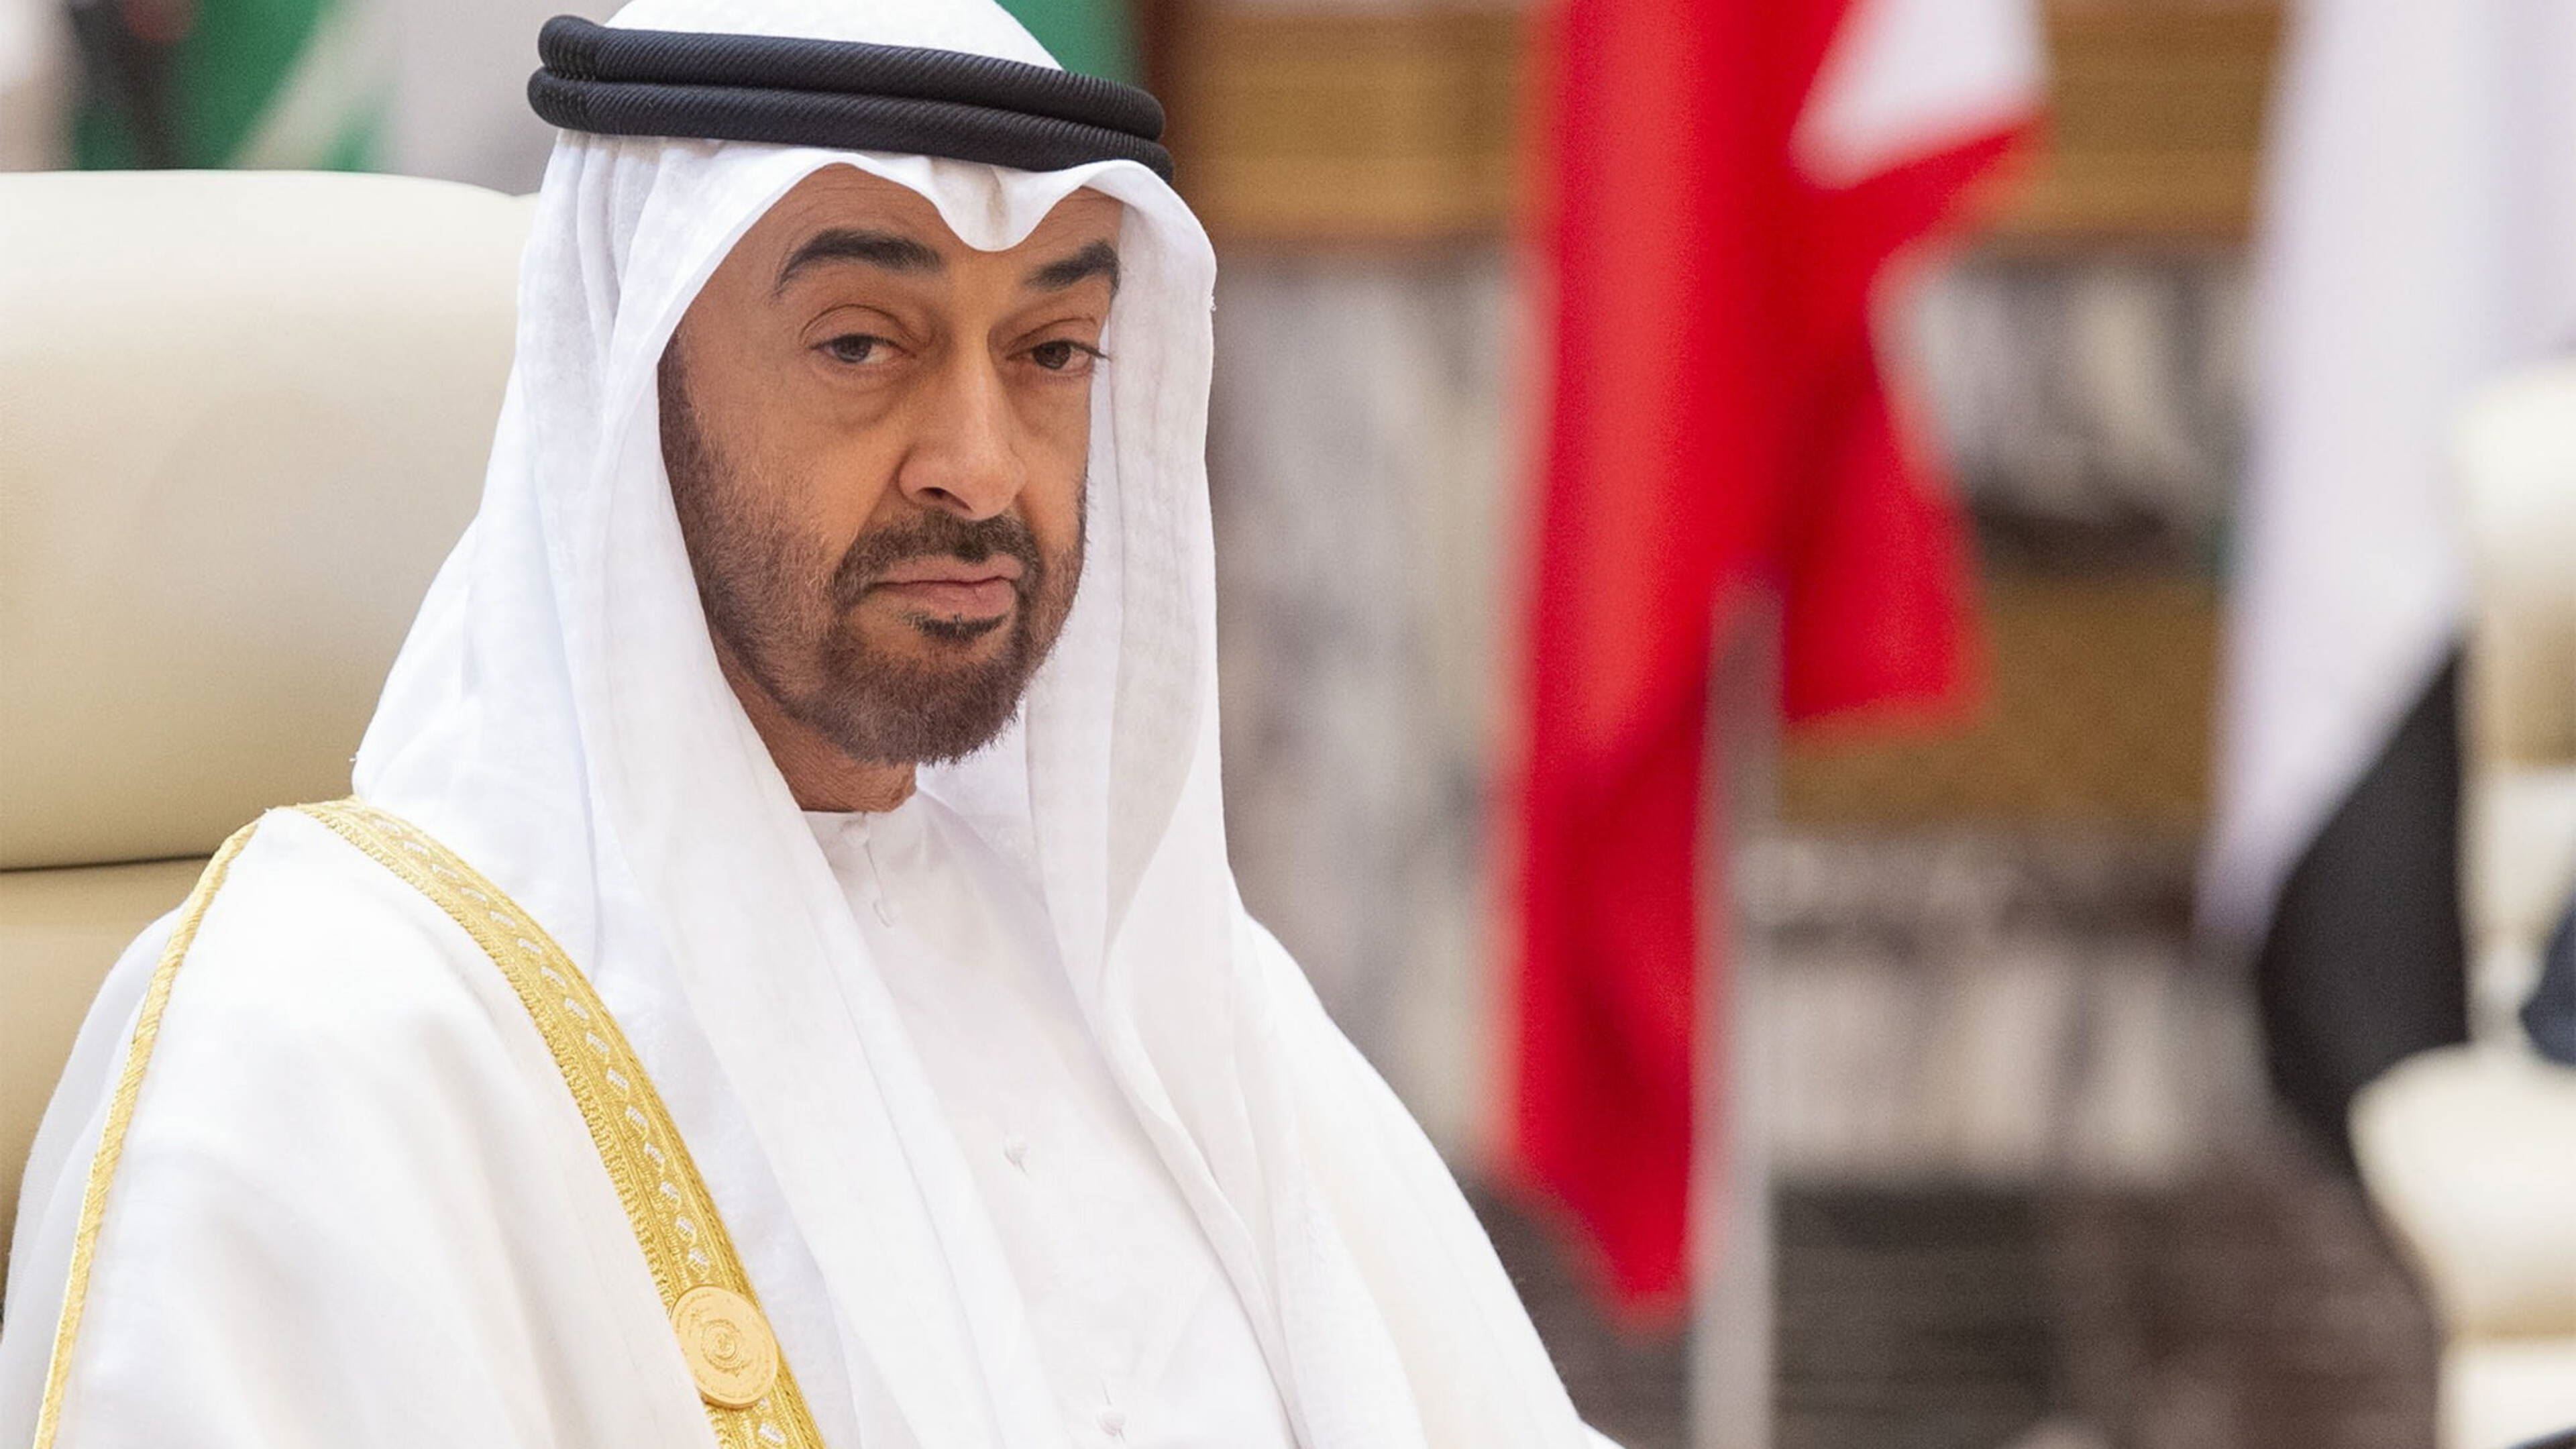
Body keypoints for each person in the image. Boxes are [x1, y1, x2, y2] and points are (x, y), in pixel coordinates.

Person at [0, 1, 1615, 1446]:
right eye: (862, 345)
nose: (981, 464)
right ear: (634, 375)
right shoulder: (337, 1034)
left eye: (1052, 352)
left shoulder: (1173, 1000)